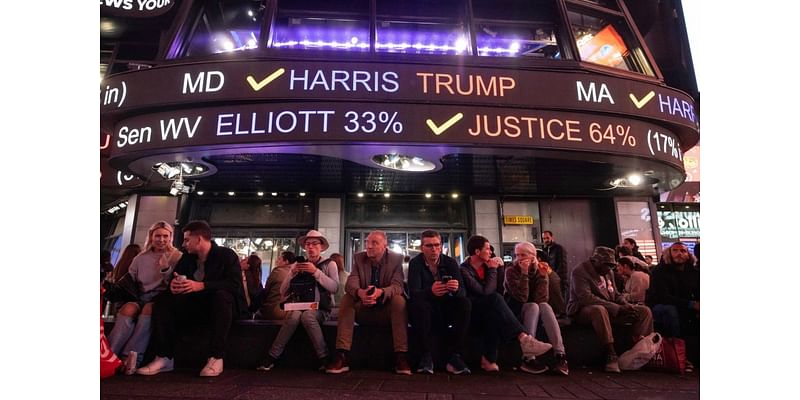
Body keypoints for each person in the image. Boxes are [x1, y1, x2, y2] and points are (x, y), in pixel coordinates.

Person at [137, 220, 248, 377]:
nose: (184, 244)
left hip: (224, 308)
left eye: (187, 239)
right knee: (163, 300)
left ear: (199, 239)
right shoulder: (188, 258)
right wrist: (174, 286)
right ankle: (164, 356)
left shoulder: (226, 255)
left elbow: (233, 284)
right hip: (196, 306)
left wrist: (201, 286)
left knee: (221, 297)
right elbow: (176, 278)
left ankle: (216, 357)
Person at [460, 235, 552, 374]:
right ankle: (524, 339)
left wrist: (499, 269)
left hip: (488, 311)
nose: (491, 252)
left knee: (494, 316)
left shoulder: (490, 266)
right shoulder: (464, 269)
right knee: (494, 301)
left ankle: (488, 360)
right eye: (487, 249)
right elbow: (485, 293)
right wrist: (492, 270)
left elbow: (498, 291)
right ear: (477, 252)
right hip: (472, 313)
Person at [325, 230, 411, 375]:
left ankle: (401, 355)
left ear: (385, 246)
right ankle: (342, 354)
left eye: (374, 243)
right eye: (367, 243)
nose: (369, 246)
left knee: (399, 300)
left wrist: (381, 292)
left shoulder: (396, 259)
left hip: (386, 311)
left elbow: (398, 286)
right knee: (348, 297)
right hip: (364, 309)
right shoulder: (359, 258)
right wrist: (361, 293)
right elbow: (350, 284)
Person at [257, 230, 339, 371]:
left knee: (308, 316)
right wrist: (292, 273)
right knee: (294, 315)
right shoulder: (297, 265)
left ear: (321, 247)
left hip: (320, 309)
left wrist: (315, 272)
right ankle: (271, 357)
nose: (311, 247)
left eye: (314, 244)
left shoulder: (329, 264)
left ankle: (324, 358)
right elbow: (283, 291)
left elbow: (335, 288)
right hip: (299, 306)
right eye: (308, 244)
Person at [107, 222, 181, 375]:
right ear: (151, 237)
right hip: (140, 296)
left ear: (170, 237)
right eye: (158, 236)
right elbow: (130, 280)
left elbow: (175, 283)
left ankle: (131, 357)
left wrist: (166, 269)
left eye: (165, 236)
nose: (161, 239)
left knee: (148, 310)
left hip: (161, 299)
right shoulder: (140, 258)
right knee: (128, 309)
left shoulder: (177, 256)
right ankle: (110, 354)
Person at [566, 246, 653, 373]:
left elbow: (615, 294)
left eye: (611, 265)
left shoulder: (608, 272)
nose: (609, 268)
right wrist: (617, 308)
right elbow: (586, 298)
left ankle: (640, 349)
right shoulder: (579, 271)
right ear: (595, 261)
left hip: (609, 307)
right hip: (581, 309)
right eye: (606, 265)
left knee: (644, 311)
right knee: (598, 310)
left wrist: (626, 304)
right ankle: (610, 353)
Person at [407, 230, 472, 375]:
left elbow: (462, 292)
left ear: (441, 246)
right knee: (420, 306)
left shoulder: (450, 262)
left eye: (437, 245)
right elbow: (413, 294)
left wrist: (455, 289)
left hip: (445, 307)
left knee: (464, 303)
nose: (434, 249)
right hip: (425, 307)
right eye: (429, 246)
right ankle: (426, 355)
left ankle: (455, 356)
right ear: (422, 248)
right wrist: (431, 291)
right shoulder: (415, 263)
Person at [505, 242, 569, 375]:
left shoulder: (539, 269)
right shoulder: (511, 270)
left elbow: (542, 299)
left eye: (523, 255)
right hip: (516, 310)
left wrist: (543, 277)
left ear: (533, 256)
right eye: (517, 255)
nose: (519, 258)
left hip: (536, 311)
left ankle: (560, 355)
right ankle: (529, 357)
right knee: (533, 306)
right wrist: (524, 273)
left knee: (544, 306)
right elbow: (522, 298)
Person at [646, 242, 699, 340]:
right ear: (669, 253)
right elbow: (663, 297)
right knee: (670, 310)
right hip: (661, 304)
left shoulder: (692, 271)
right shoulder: (660, 270)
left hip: (683, 303)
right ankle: (676, 343)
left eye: (683, 251)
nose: (679, 253)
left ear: (688, 255)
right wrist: (691, 304)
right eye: (675, 250)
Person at [259, 251, 295, 320]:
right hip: (289, 311)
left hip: (274, 310)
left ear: (286, 261)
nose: (276, 261)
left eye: (279, 259)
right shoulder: (295, 273)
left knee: (257, 314)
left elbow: (266, 290)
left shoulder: (277, 271)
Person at [536, 249, 566, 319]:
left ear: (539, 259)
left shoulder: (547, 276)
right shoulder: (552, 274)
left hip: (554, 315)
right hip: (557, 314)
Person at [542, 231, 568, 300]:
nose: (546, 240)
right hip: (550, 279)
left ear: (552, 237)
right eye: (544, 238)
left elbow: (562, 265)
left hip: (559, 280)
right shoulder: (544, 250)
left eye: (547, 238)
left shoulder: (559, 248)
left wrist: (556, 277)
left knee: (560, 300)